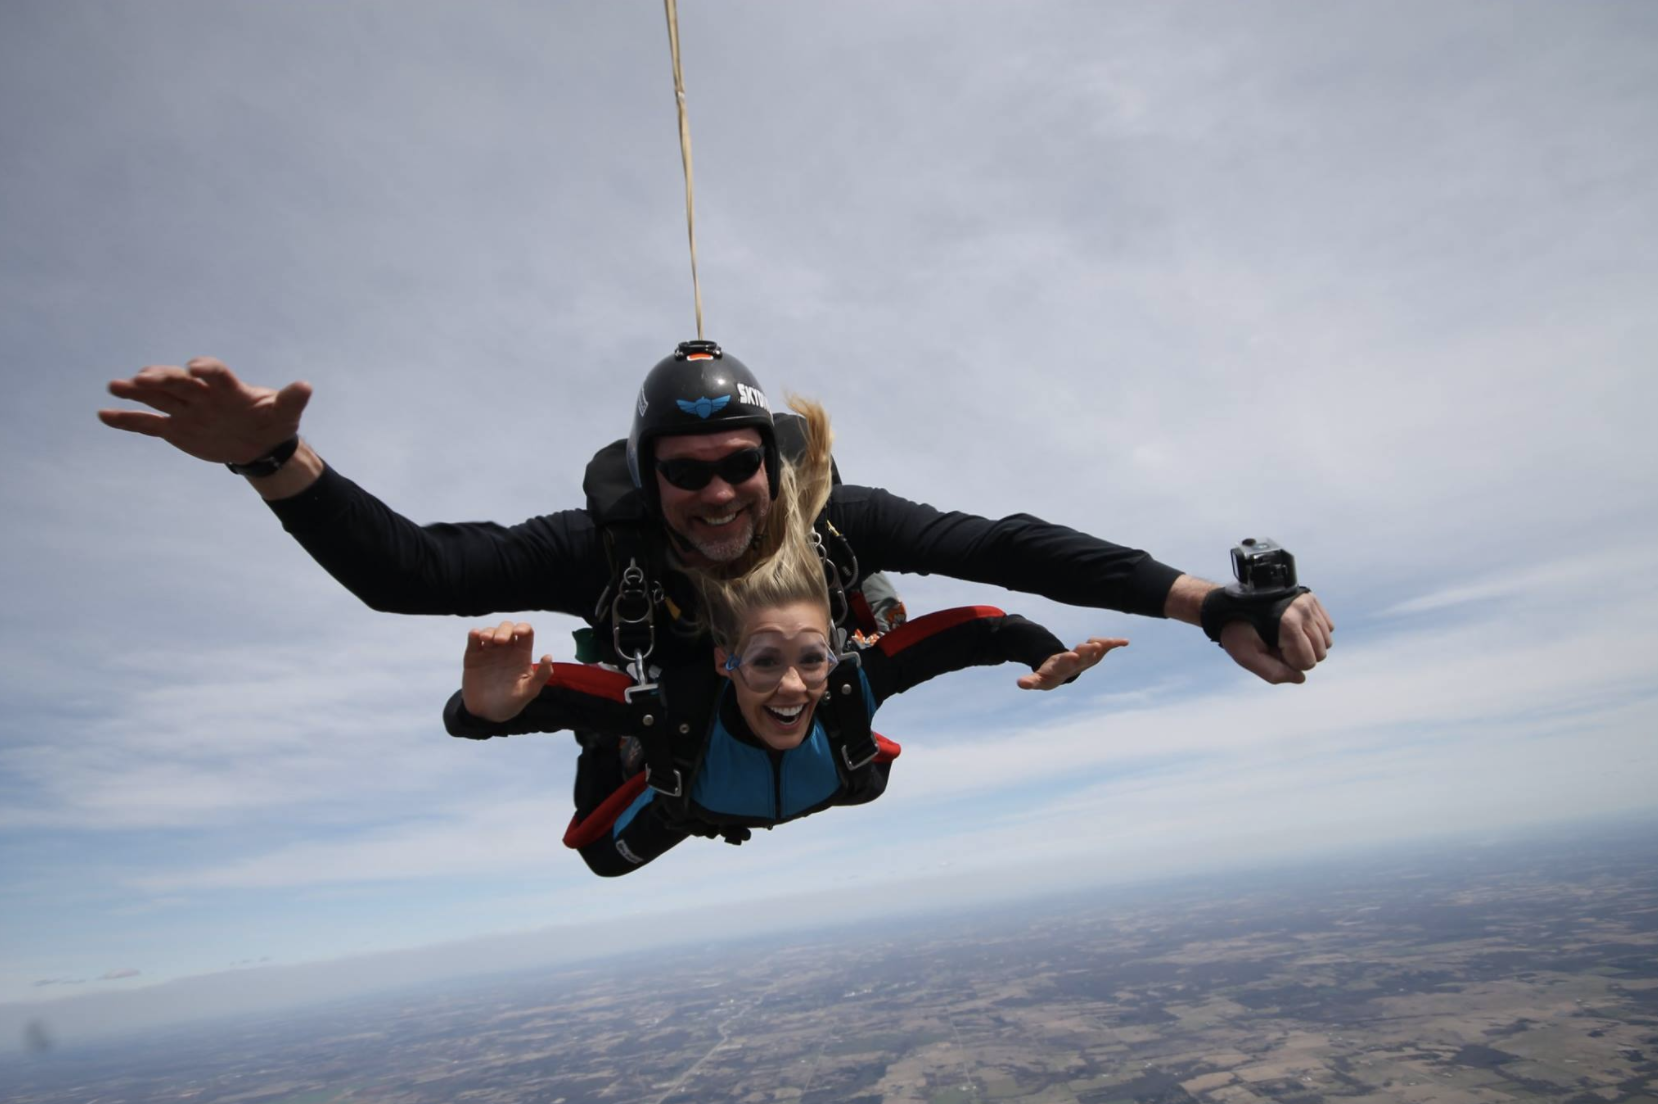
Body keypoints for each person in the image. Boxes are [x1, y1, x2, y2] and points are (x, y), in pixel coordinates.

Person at [96, 344, 1333, 686]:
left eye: (739, 462)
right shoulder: (606, 546)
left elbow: (1004, 546)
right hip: (668, 716)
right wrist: (273, 460)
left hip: (797, 688)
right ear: (648, 477)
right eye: (682, 471)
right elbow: (417, 573)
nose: (717, 492)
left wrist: (1209, 603)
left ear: (774, 461)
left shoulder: (837, 519)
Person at [444, 398, 1128, 875]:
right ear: (726, 662)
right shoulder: (676, 702)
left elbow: (981, 633)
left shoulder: (848, 681)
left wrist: (1045, 653)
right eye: (766, 662)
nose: (795, 685)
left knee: (861, 770)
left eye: (811, 660)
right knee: (604, 855)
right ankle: (620, 744)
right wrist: (483, 708)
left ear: (833, 653)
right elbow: (541, 700)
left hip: (767, 774)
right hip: (690, 786)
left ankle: (824, 607)